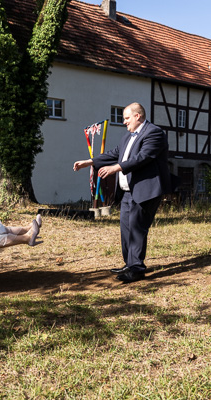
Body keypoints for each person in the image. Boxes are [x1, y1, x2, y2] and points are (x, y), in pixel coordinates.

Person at [73, 102, 171, 283]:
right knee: (126, 228)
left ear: (138, 116)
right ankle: (129, 264)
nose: (124, 122)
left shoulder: (154, 133)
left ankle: (137, 269)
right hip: (127, 191)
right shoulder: (127, 137)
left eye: (126, 118)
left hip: (145, 190)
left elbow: (143, 157)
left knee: (137, 228)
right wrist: (90, 162)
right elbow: (114, 153)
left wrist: (115, 168)